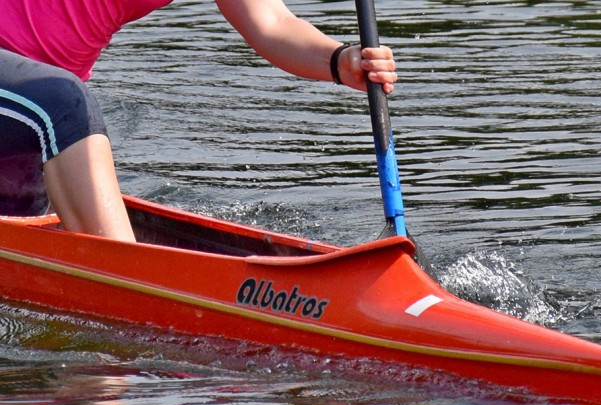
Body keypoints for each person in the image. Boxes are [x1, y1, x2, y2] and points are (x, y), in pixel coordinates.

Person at [0, 0, 397, 241]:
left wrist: (339, 60)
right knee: (66, 104)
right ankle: (136, 291)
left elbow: (272, 23)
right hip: (50, 106)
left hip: (27, 119)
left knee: (27, 200)